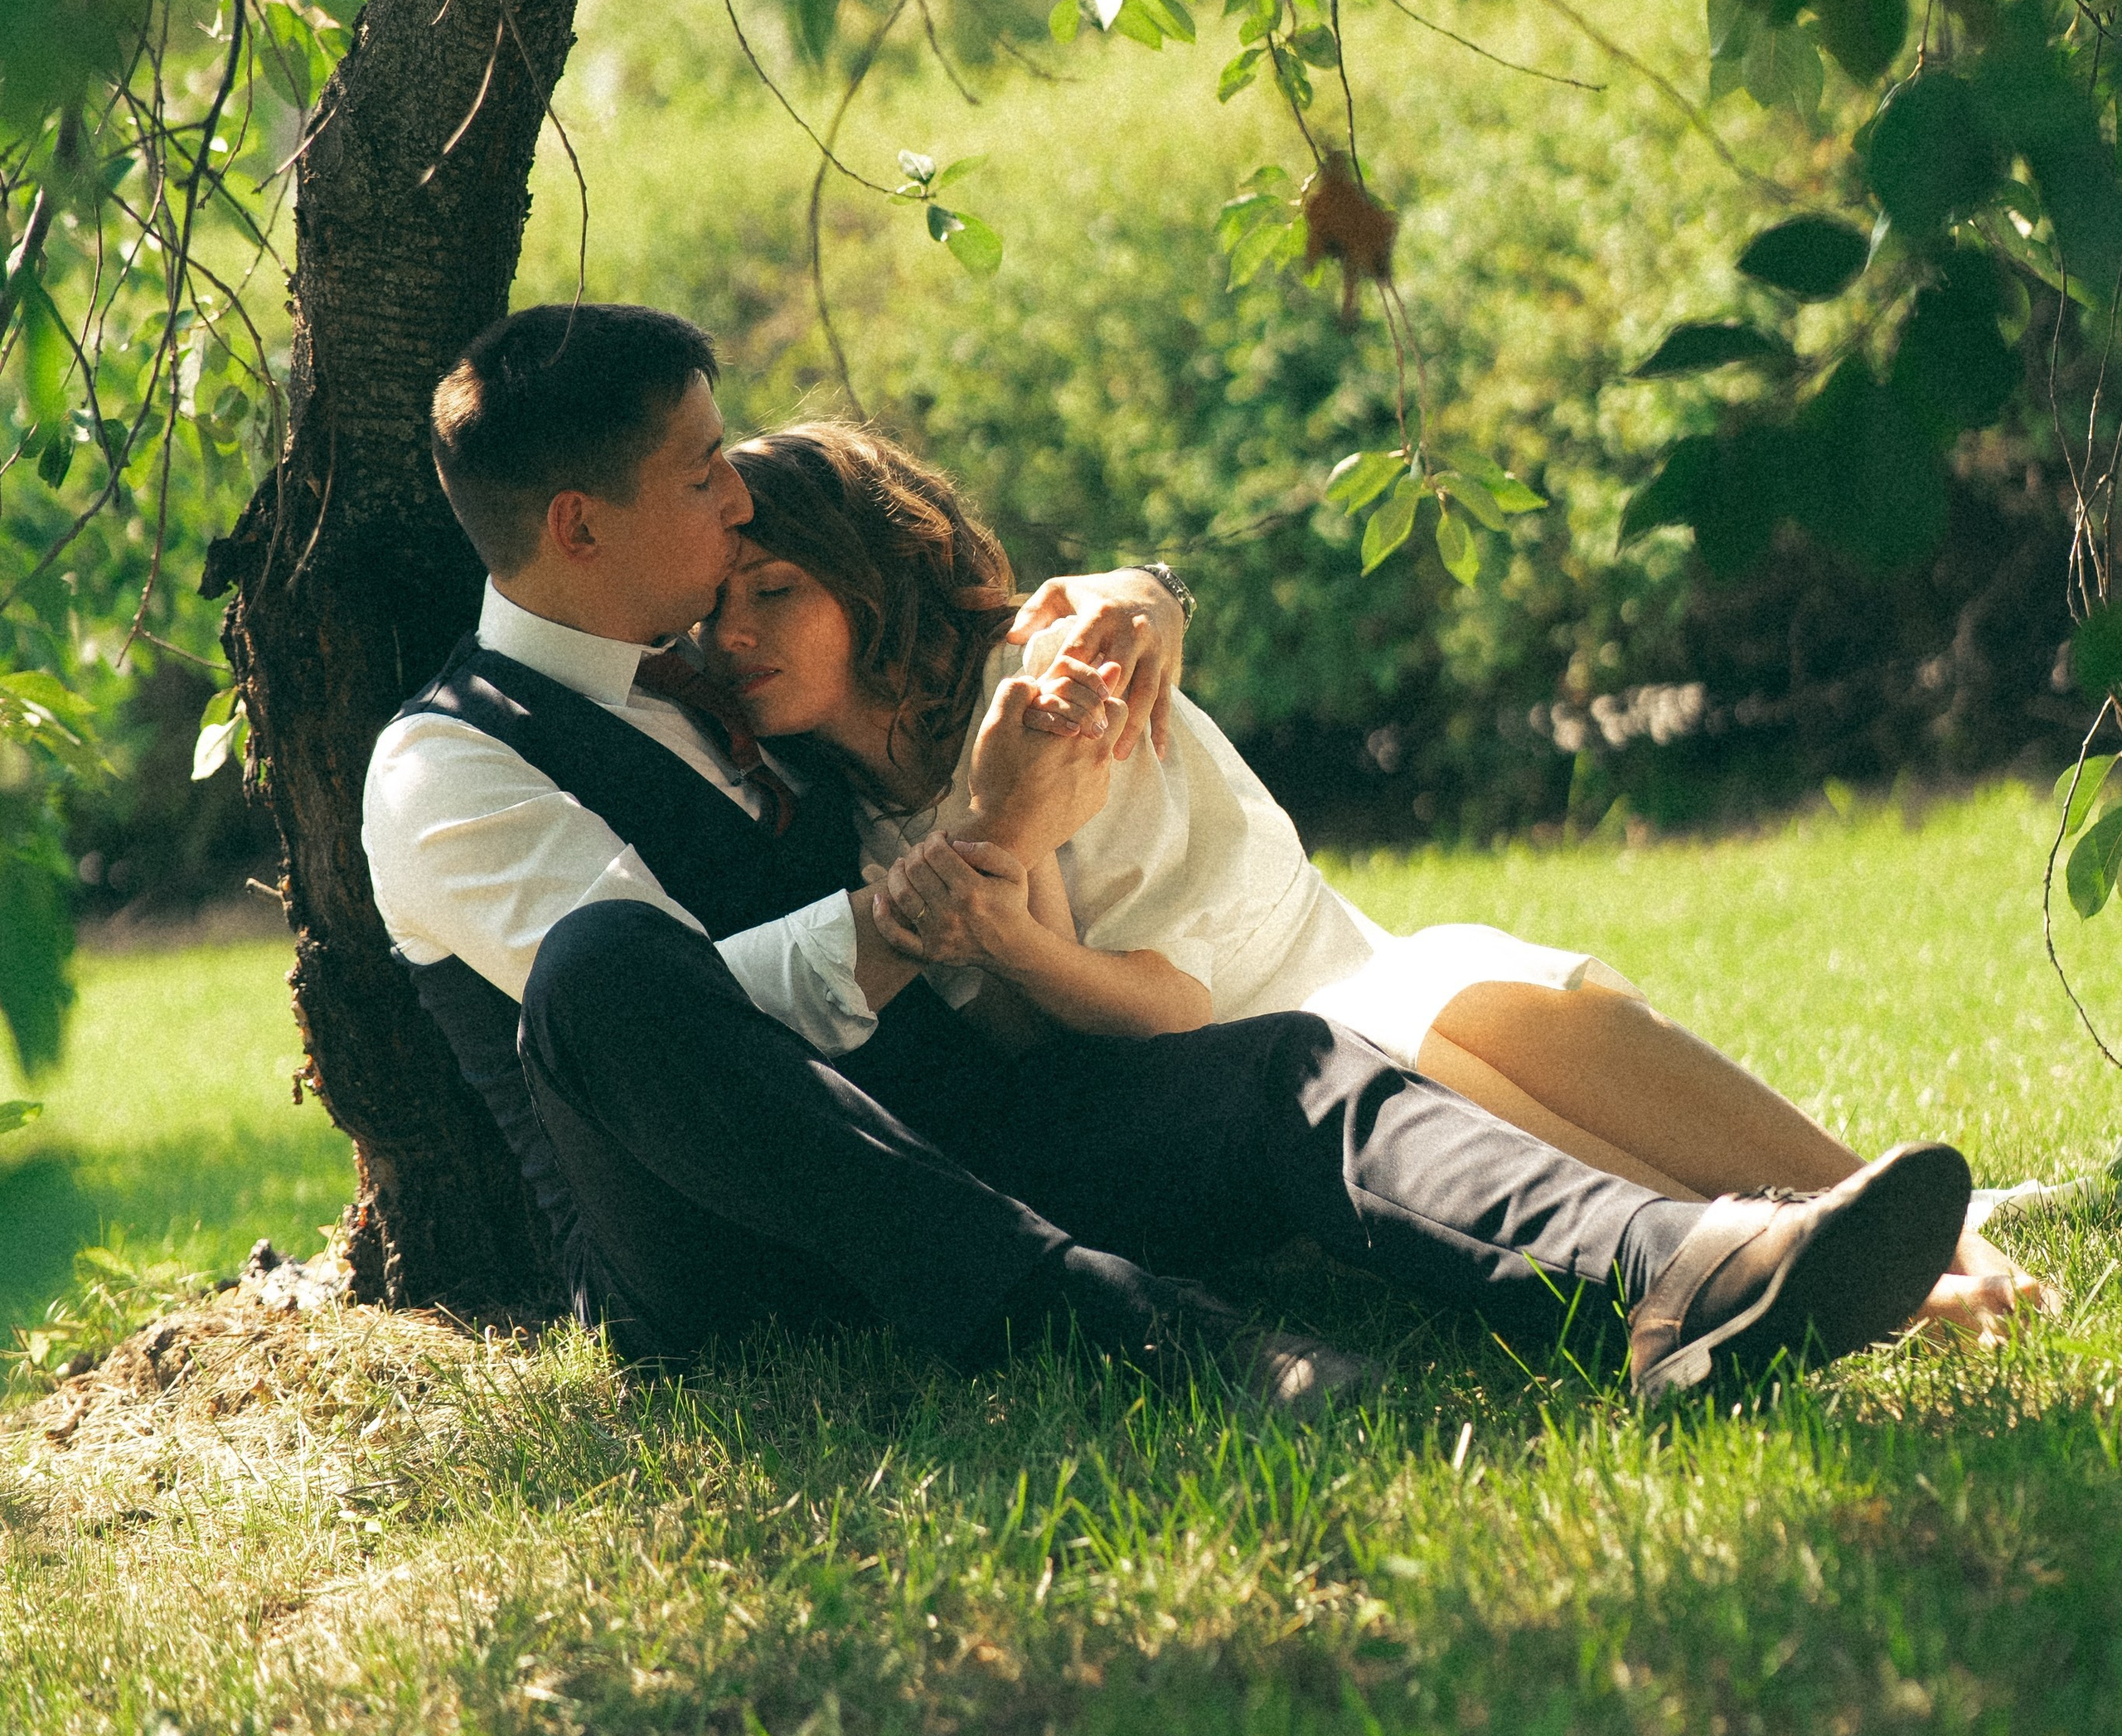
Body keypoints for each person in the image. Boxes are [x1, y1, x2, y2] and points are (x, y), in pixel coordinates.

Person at [362, 301, 1973, 1418]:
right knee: (601, 966)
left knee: (1284, 1067)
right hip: (733, 1243)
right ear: (577, 527)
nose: (737, 502)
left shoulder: (724, 671)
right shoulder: (447, 768)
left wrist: (1141, 597)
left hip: (967, 1132)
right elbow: (670, 1033)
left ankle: (1681, 1276)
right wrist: (919, 902)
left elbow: (948, 649)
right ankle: (1135, 1330)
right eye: (702, 474)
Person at [712, 419, 2034, 1341]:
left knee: (1475, 1000)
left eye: (773, 592)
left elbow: (1172, 980)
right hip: (1242, 1090)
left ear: (874, 579)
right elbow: (1101, 1044)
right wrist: (1008, 911)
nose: (735, 637)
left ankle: (1922, 1225)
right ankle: (1845, 1278)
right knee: (1423, 1051)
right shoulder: (864, 841)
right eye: (720, 608)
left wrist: (1143, 600)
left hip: (1307, 973)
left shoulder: (1057, 674)